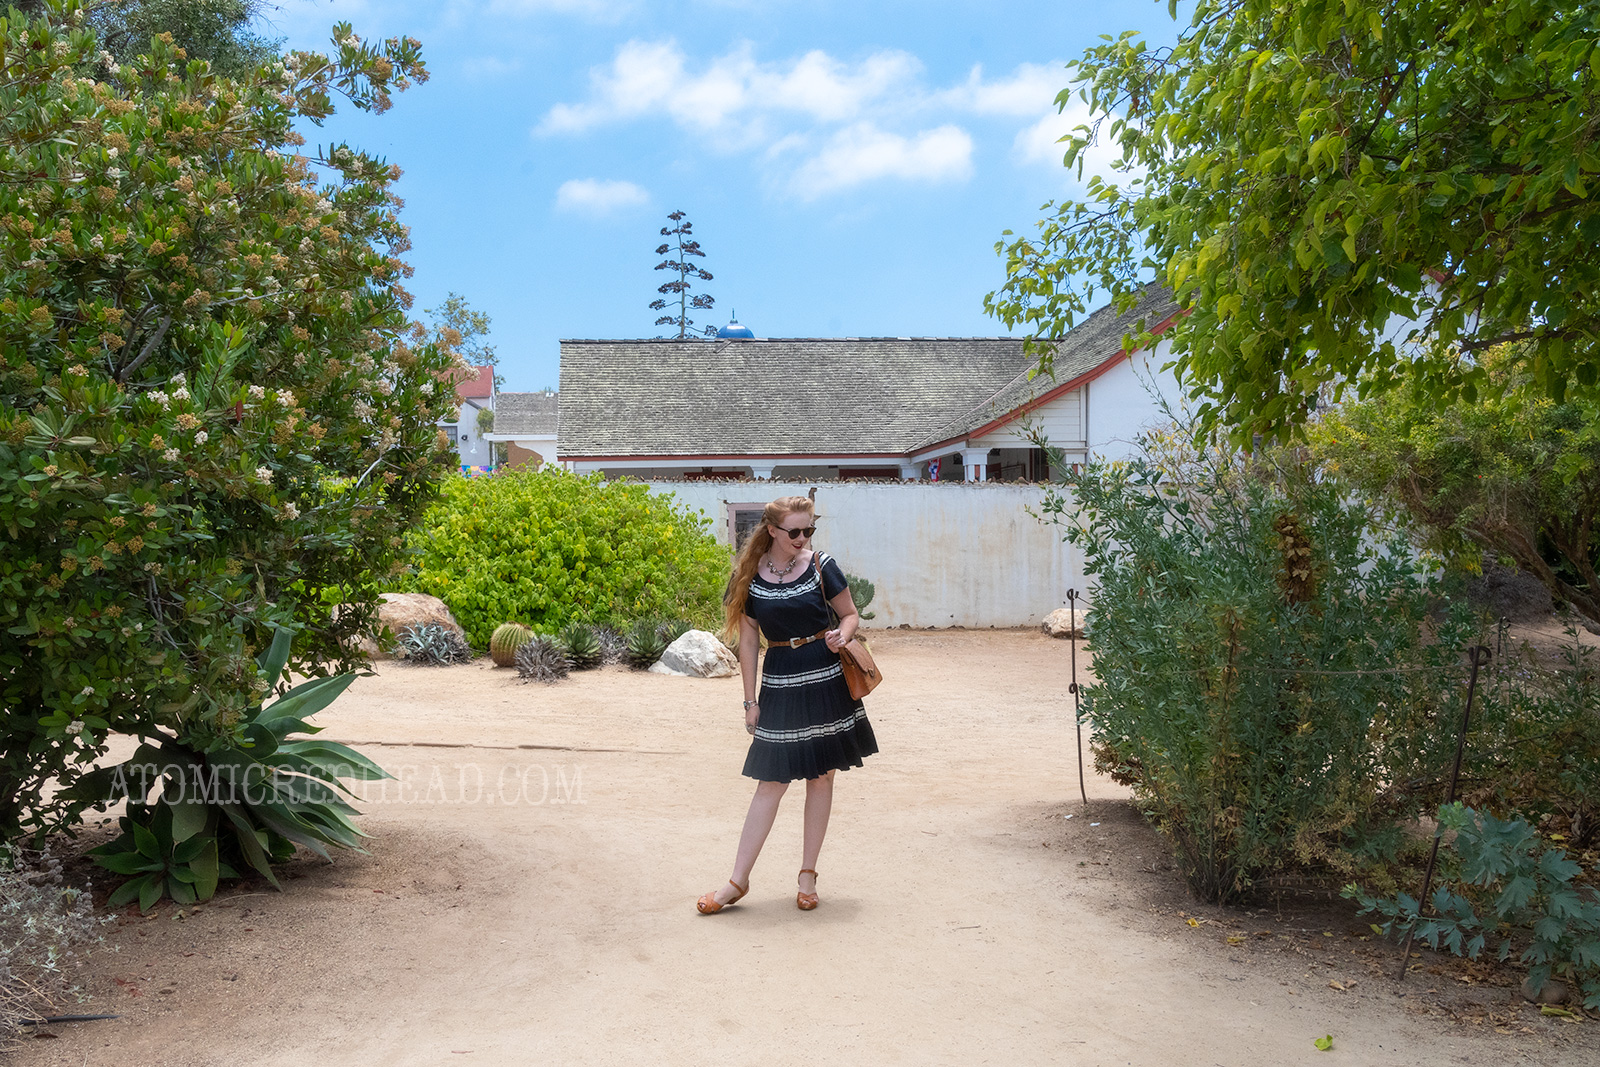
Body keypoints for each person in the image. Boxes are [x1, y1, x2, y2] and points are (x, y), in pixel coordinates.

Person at [696, 495, 878, 914]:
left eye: (808, 530)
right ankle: (736, 882)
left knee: (822, 777)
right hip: (779, 681)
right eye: (794, 531)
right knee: (771, 782)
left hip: (825, 677)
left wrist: (843, 635)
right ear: (772, 530)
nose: (802, 538)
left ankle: (807, 875)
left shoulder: (821, 565)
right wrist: (749, 701)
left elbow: (849, 614)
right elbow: (746, 643)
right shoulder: (747, 576)